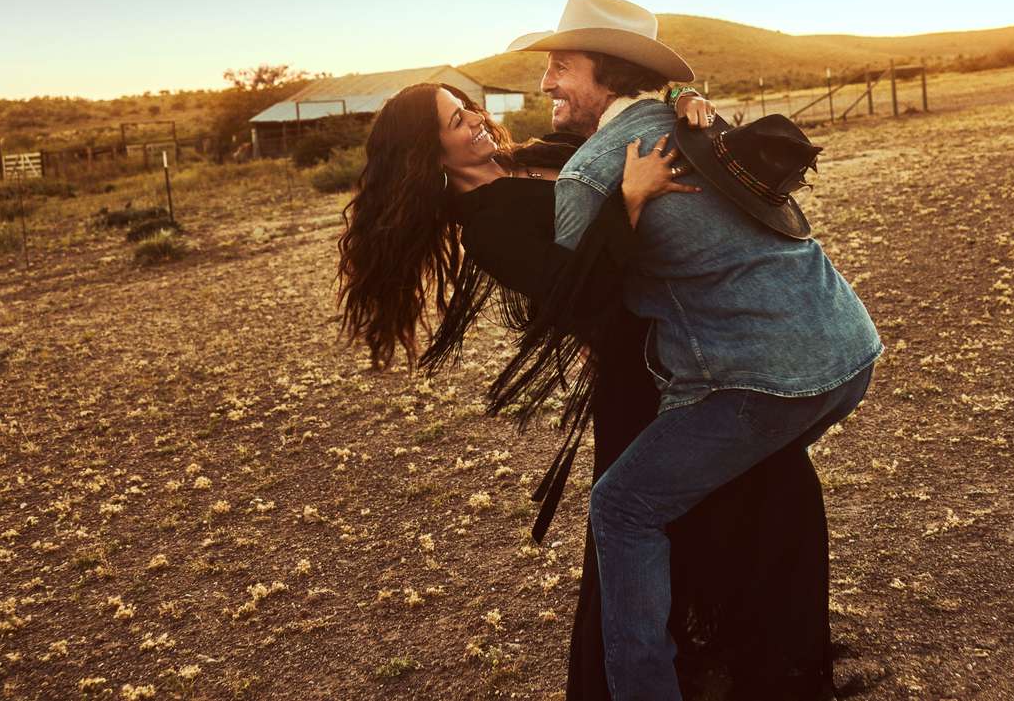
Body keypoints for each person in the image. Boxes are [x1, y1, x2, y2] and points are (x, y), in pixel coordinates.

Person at [334, 82, 839, 700]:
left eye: (470, 108)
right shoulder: (487, 227)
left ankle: (766, 662)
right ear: (427, 151)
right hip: (638, 374)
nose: (477, 121)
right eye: (456, 120)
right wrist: (629, 198)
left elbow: (622, 119)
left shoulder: (543, 155)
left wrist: (681, 96)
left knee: (770, 491)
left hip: (692, 346)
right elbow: (576, 295)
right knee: (652, 524)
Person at [501, 0, 881, 701]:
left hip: (761, 381)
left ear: (606, 73)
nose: (545, 83)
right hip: (849, 352)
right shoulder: (701, 121)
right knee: (737, 485)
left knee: (622, 507)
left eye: (560, 68)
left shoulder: (590, 171)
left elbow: (577, 301)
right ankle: (751, 653)